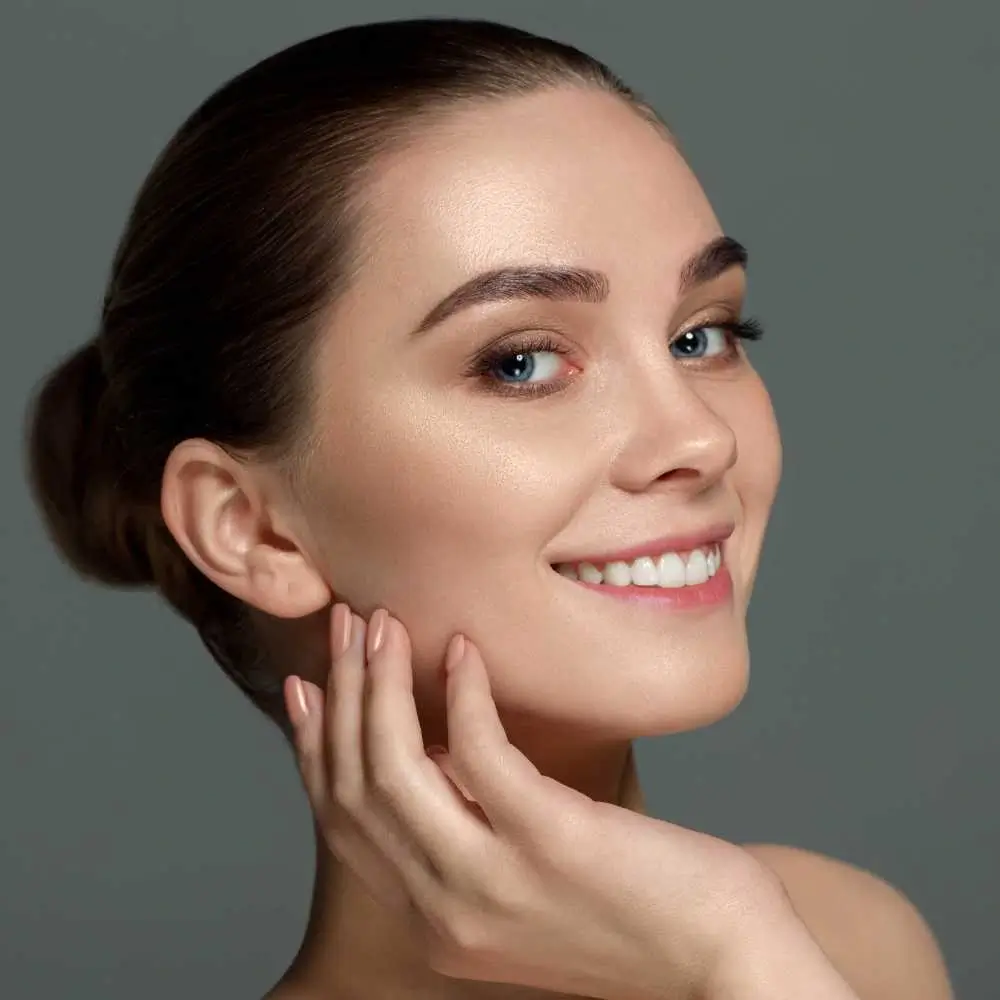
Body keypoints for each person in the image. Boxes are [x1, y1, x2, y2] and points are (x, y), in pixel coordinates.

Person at [25, 17, 954, 1000]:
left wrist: (740, 950)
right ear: (250, 527)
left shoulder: (840, 941)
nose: (699, 439)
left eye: (701, 335)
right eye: (521, 362)